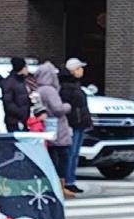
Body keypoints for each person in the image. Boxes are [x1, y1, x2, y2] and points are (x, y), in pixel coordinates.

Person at [33, 61, 78, 198]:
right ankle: (61, 186)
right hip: (58, 128)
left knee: (52, 156)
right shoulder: (50, 90)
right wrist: (67, 106)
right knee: (63, 156)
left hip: (47, 126)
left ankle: (53, 185)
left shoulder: (38, 90)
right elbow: (58, 108)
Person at [59, 59, 93, 192]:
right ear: (73, 70)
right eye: (79, 68)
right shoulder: (67, 86)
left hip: (79, 123)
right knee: (71, 153)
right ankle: (68, 180)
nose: (82, 71)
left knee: (75, 153)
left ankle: (71, 179)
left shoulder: (75, 84)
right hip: (73, 123)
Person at [0, 58, 33, 132]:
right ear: (22, 68)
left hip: (23, 120)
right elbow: (8, 103)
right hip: (15, 121)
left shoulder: (21, 81)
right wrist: (22, 113)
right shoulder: (10, 82)